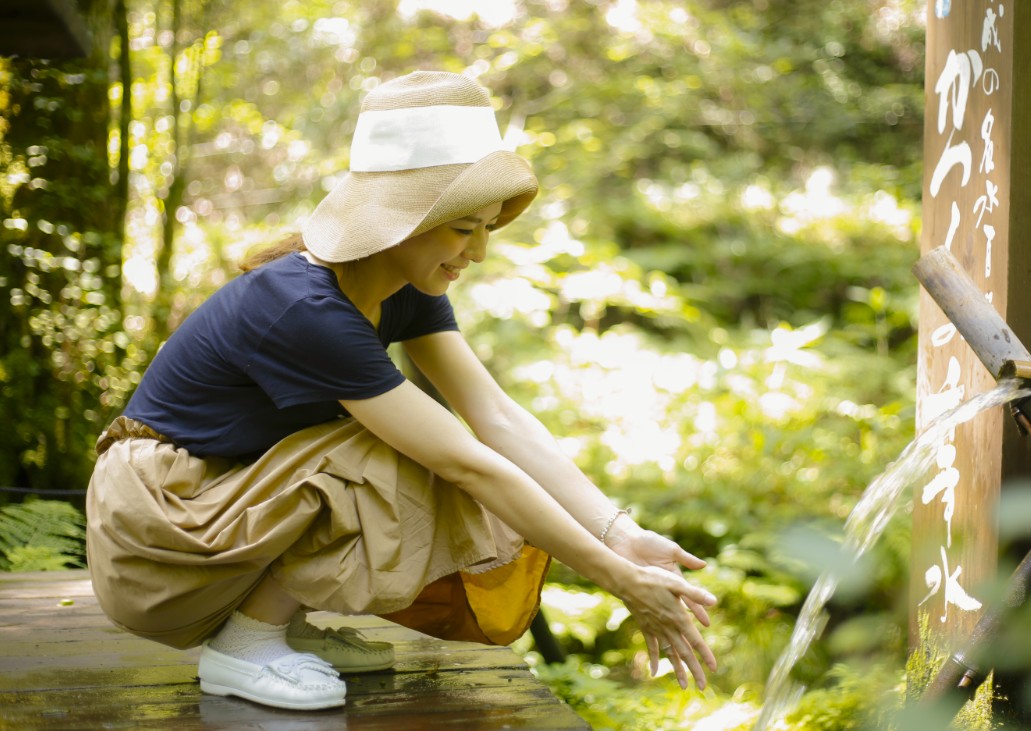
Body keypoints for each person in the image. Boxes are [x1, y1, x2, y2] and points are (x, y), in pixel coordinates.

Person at [86, 70, 717, 712]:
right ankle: (245, 644)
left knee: (422, 443)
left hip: (225, 507)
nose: (481, 251)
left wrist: (620, 535)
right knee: (395, 450)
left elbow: (497, 416)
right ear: (400, 221)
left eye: (490, 226)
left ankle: (275, 624)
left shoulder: (406, 288)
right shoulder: (305, 308)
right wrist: (618, 581)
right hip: (159, 532)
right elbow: (463, 460)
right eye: (463, 228)